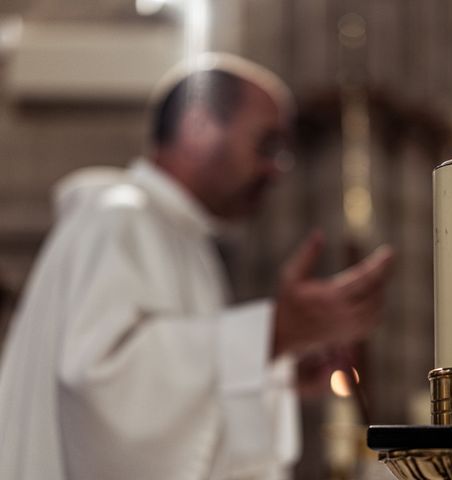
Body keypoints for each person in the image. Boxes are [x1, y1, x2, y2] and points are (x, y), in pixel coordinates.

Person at [0, 53, 394, 480]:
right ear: (198, 127)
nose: (276, 170)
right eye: (267, 144)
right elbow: (100, 387)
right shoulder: (117, 217)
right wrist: (274, 332)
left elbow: (172, 399)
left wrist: (275, 366)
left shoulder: (183, 238)